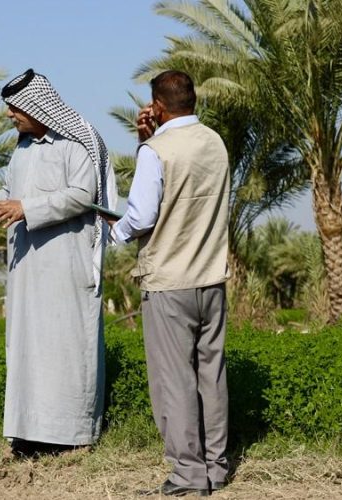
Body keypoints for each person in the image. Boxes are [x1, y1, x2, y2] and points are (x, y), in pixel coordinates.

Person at [0, 69, 116, 456]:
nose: (10, 116)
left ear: (38, 108)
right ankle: (29, 434)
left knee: (66, 349)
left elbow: (84, 195)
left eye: (15, 109)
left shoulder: (76, 144)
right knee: (28, 350)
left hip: (65, 266)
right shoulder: (23, 149)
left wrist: (27, 207)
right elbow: (7, 196)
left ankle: (71, 437)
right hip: (27, 269)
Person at [108, 71, 230, 497]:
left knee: (173, 382)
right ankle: (215, 468)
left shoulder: (156, 151)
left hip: (168, 284)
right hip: (212, 279)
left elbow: (141, 216)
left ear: (157, 106)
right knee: (210, 376)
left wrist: (113, 233)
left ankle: (187, 476)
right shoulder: (215, 142)